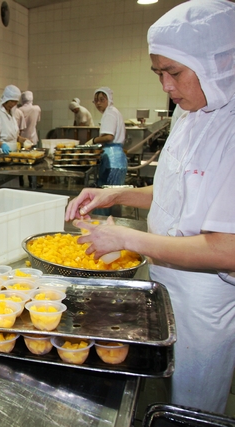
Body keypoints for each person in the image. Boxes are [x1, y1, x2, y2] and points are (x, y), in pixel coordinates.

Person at [64, 0, 235, 414]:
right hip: (164, 277)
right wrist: (116, 194)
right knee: (154, 394)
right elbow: (179, 196)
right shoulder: (189, 115)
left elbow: (226, 247)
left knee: (190, 408)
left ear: (219, 62)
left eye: (173, 72)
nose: (166, 86)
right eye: (158, 73)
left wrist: (127, 238)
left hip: (203, 298)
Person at [90, 87, 127, 191]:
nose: (98, 103)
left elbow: (109, 137)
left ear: (109, 99)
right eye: (96, 100)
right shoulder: (113, 111)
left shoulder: (109, 113)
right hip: (117, 159)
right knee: (114, 194)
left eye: (102, 100)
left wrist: (94, 140)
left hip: (112, 160)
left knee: (109, 194)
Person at [0, 85, 28, 160]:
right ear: (6, 99)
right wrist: (2, 145)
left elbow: (13, 136)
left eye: (15, 102)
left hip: (11, 154)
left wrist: (23, 140)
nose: (13, 104)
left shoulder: (11, 113)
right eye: (11, 101)